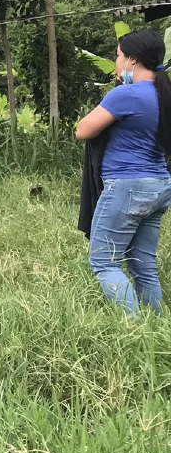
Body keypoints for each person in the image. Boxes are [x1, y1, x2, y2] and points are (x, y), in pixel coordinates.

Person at [75, 29, 171, 314]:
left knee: (104, 262)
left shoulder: (126, 95)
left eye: (117, 56)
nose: (115, 63)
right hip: (159, 185)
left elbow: (83, 130)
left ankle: (133, 326)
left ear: (132, 60)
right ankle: (156, 325)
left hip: (127, 186)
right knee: (143, 266)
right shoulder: (164, 95)